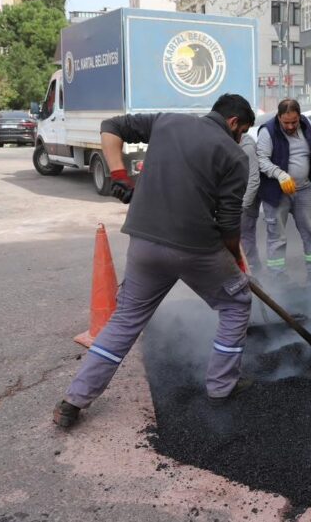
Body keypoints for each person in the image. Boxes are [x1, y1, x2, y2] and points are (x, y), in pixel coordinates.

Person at [52, 93, 256, 429]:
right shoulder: (234, 155)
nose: (240, 138)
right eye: (242, 131)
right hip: (197, 249)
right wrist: (235, 260)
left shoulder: (167, 121)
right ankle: (221, 387)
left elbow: (111, 127)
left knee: (125, 321)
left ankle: (73, 401)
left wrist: (118, 175)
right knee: (236, 303)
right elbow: (229, 222)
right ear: (233, 123)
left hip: (145, 244)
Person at [256, 98, 311, 285]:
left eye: (294, 122)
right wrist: (280, 175)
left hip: (303, 190)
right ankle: (277, 276)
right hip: (276, 192)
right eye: (286, 122)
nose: (290, 126)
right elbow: (261, 160)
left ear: (299, 117)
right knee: (277, 236)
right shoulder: (268, 131)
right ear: (279, 117)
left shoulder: (306, 124)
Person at [240, 127, 263, 273]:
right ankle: (251, 266)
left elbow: (254, 179)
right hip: (238, 196)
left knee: (245, 232)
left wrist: (243, 206)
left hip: (247, 198)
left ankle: (252, 269)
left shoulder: (246, 147)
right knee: (242, 233)